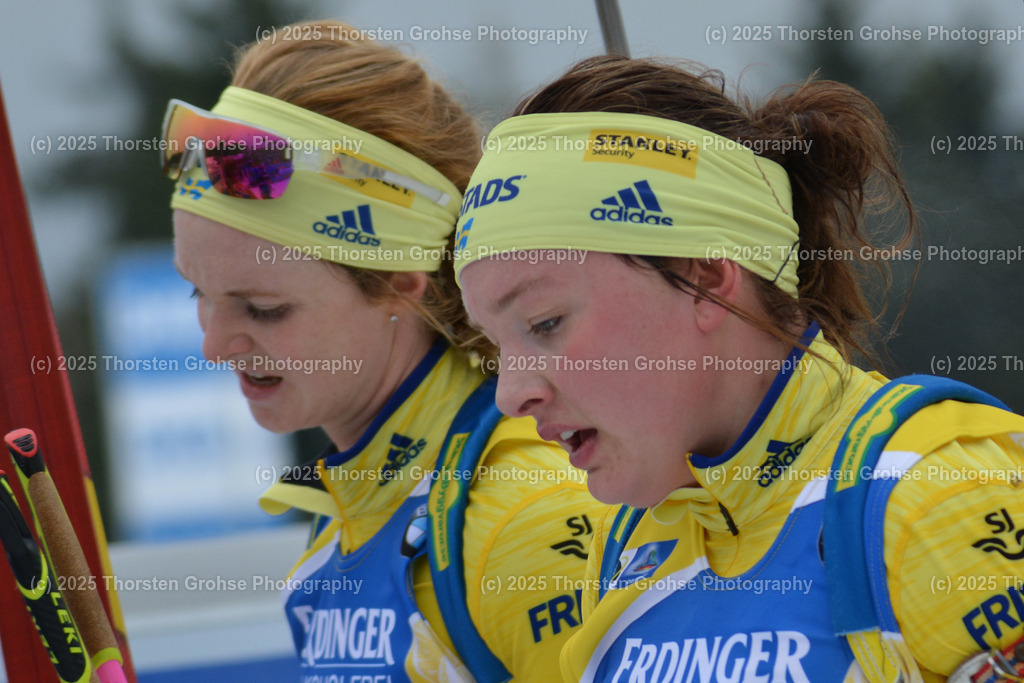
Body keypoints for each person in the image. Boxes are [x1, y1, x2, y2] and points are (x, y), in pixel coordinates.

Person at [455, 54, 1024, 682]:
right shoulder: (630, 545)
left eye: (544, 324)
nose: (510, 395)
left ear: (705, 279)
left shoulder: (932, 494)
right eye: (495, 346)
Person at [163, 20, 606, 682]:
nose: (213, 344)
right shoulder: (347, 510)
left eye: (265, 309)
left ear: (401, 282)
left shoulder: (523, 518)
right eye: (198, 291)